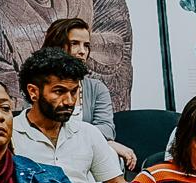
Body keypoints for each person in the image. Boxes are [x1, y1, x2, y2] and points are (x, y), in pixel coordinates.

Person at [9, 48, 125, 183]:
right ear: (33, 92)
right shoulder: (10, 135)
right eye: (59, 91)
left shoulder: (88, 132)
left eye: (74, 92)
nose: (69, 101)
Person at [41, 18, 136, 171]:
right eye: (74, 44)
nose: (82, 51)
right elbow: (43, 129)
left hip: (89, 154)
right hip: (49, 155)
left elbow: (106, 129)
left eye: (86, 45)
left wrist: (105, 142)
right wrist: (104, 141)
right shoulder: (39, 86)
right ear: (56, 46)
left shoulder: (96, 88)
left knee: (109, 155)